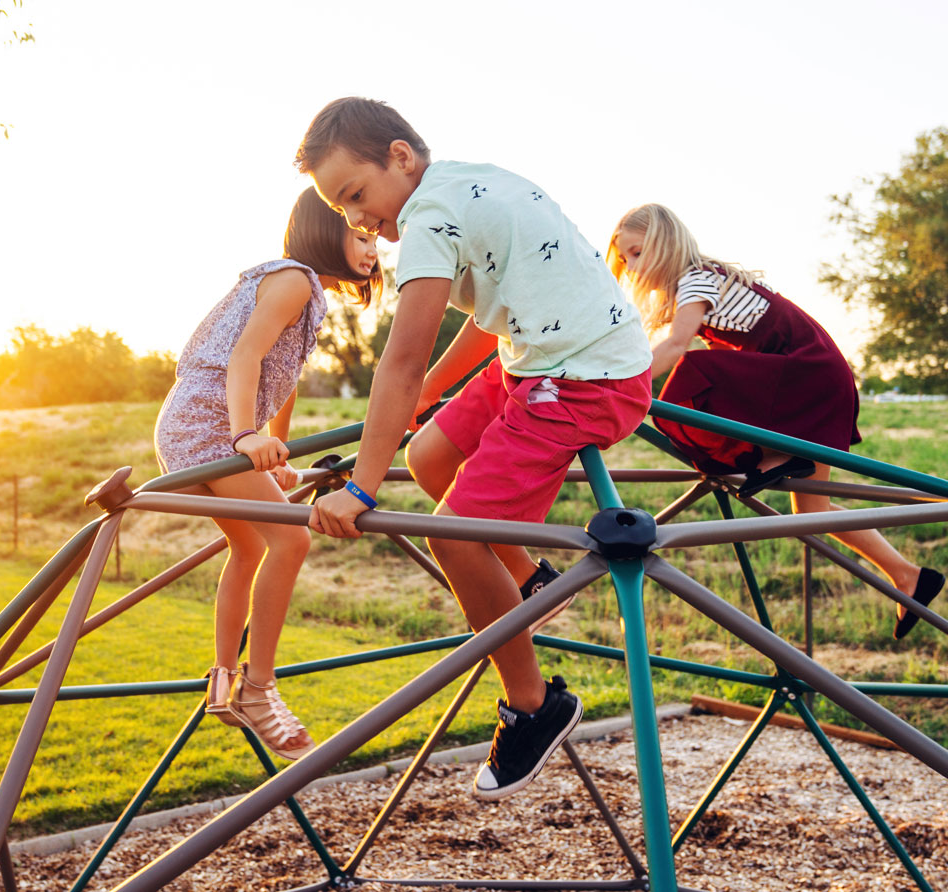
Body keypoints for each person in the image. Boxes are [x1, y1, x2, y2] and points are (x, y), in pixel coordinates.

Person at [295, 97, 653, 800]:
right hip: (544, 354)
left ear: (400, 157)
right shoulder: (466, 182)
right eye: (341, 209)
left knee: (455, 539)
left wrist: (362, 488)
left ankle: (533, 705)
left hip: (584, 379)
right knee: (429, 456)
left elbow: (396, 362)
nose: (357, 218)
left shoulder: (428, 218)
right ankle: (529, 581)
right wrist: (430, 392)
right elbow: (498, 316)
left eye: (356, 195)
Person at [608, 203, 944, 639]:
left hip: (807, 377)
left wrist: (619, 386)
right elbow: (734, 359)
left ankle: (763, 454)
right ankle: (909, 576)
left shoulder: (697, 278)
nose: (632, 267)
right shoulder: (706, 281)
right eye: (626, 259)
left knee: (692, 372)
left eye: (637, 253)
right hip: (813, 378)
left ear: (663, 243)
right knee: (811, 510)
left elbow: (676, 344)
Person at [154, 187, 381, 757]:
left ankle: (225, 680)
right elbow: (247, 356)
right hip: (207, 427)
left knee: (251, 549)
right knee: (292, 540)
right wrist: (244, 436)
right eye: (360, 234)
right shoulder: (295, 278)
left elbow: (284, 375)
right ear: (325, 230)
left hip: (199, 426)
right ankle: (259, 687)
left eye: (374, 239)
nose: (372, 248)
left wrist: (274, 447)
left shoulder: (308, 292)